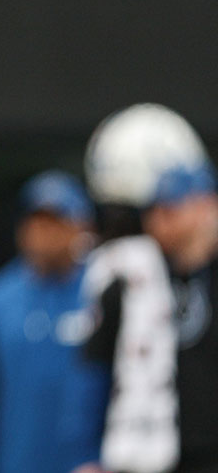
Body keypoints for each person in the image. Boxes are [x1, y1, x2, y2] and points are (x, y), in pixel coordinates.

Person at [83, 104, 218, 473]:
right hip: (148, 454)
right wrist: (87, 455)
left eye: (170, 208)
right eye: (150, 210)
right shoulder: (125, 276)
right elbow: (93, 375)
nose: (156, 222)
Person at [0, 170, 108, 473]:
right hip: (14, 462)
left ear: (82, 226)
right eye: (36, 220)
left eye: (56, 221)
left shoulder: (105, 291)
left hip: (86, 465)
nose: (44, 232)